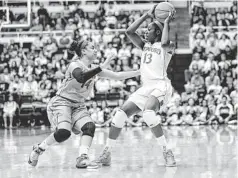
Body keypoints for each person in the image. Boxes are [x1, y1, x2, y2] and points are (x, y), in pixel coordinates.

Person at [28, 39, 140, 168]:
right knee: (64, 133)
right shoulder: (74, 65)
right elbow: (80, 77)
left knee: (89, 126)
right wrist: (101, 67)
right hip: (62, 102)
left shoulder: (94, 68)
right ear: (83, 51)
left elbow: (118, 75)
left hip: (78, 105)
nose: (96, 50)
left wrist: (138, 72)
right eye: (92, 47)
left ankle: (82, 157)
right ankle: (39, 149)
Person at [96, 6, 176, 167]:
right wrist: (146, 16)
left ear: (158, 33)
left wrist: (166, 22)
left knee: (148, 113)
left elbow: (165, 41)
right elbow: (129, 32)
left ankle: (167, 151)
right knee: (120, 114)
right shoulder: (145, 46)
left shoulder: (168, 46)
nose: (145, 32)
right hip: (146, 87)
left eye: (149, 30)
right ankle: (107, 152)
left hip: (161, 85)